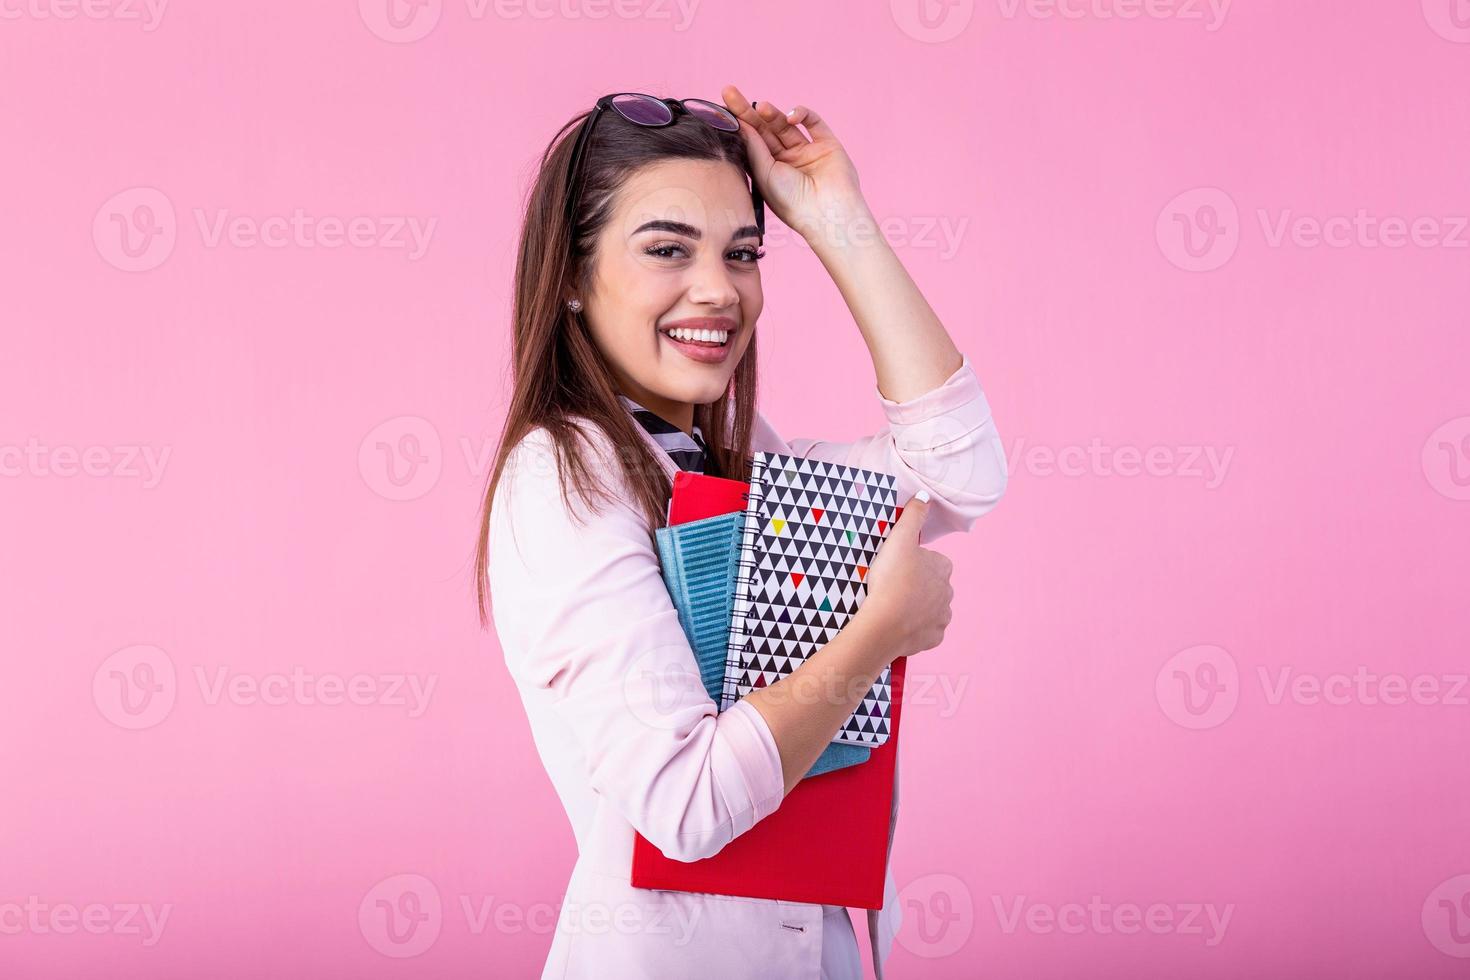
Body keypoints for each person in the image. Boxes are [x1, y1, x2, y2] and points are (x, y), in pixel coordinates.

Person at [475, 84, 1008, 979]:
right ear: (571, 277)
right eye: (667, 249)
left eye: (745, 251)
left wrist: (837, 219)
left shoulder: (731, 458)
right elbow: (684, 804)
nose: (718, 290)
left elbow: (959, 471)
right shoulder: (562, 477)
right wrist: (880, 632)